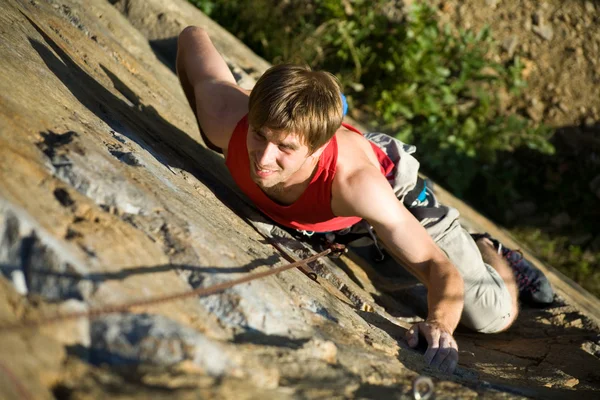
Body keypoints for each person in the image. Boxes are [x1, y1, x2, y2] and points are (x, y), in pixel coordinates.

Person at [175, 26, 554, 374]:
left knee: (490, 314)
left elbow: (438, 267)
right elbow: (192, 37)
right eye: (260, 135)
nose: (263, 157)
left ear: (317, 148)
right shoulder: (225, 119)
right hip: (333, 199)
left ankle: (490, 249)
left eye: (285, 148)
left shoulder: (359, 186)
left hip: (393, 189)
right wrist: (226, 131)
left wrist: (439, 322)